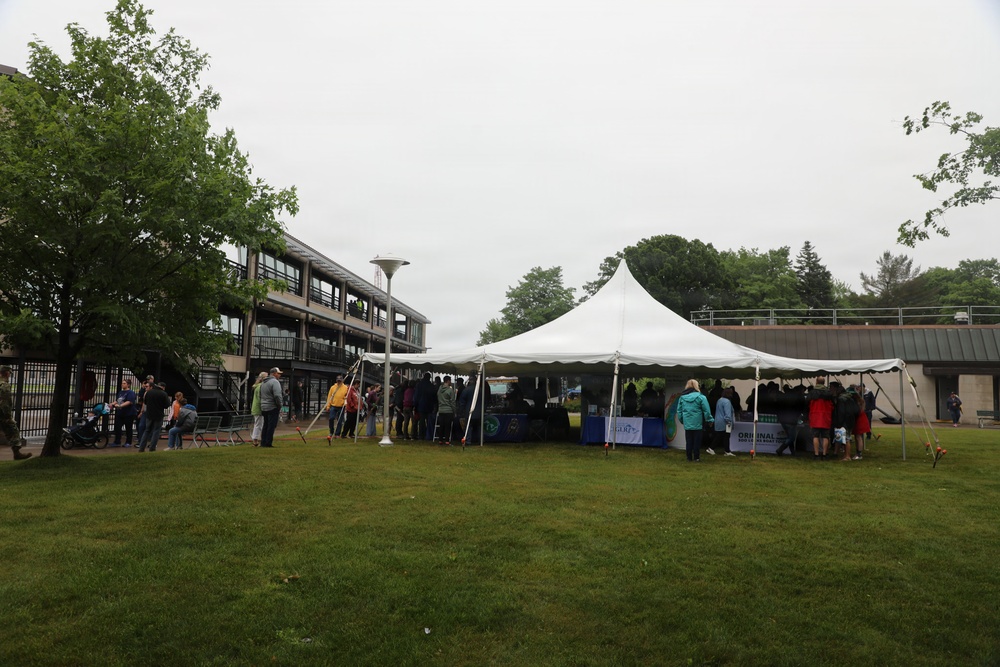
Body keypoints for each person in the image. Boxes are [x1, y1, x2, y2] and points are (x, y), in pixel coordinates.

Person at [677, 379, 712, 462]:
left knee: (688, 440)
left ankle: (689, 457)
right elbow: (706, 411)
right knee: (697, 441)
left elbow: (679, 411)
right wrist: (710, 420)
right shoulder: (701, 397)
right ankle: (696, 457)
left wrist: (682, 420)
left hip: (687, 422)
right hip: (698, 422)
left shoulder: (682, 397)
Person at [0, 365, 31, 460]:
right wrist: (8, 416)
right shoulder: (4, 385)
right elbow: (5, 403)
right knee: (13, 431)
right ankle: (17, 453)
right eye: (9, 373)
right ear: (7, 373)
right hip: (2, 415)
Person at [137, 381, 170, 452]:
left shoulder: (149, 392)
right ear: (163, 387)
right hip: (158, 415)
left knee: (147, 430)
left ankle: (141, 447)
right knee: (156, 431)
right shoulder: (163, 394)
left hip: (149, 414)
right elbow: (167, 405)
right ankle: (152, 447)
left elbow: (145, 402)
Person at [806, 378, 834, 460]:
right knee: (826, 436)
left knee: (815, 436)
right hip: (826, 416)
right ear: (824, 382)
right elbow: (833, 405)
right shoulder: (829, 393)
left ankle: (816, 454)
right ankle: (825, 454)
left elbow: (807, 404)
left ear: (816, 382)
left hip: (815, 416)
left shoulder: (812, 393)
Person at [259, 367, 283, 448]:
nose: (279, 375)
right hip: (272, 407)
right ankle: (268, 442)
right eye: (278, 373)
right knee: (271, 426)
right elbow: (277, 395)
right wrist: (279, 405)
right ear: (274, 373)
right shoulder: (275, 382)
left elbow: (260, 395)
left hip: (264, 407)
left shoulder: (263, 383)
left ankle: (263, 442)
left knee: (265, 425)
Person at [110, 378, 138, 447]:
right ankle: (117, 441)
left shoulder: (130, 393)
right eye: (122, 383)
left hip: (128, 414)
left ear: (128, 385)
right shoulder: (120, 392)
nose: (122, 384)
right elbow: (118, 400)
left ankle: (128, 442)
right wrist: (112, 404)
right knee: (117, 427)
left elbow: (129, 402)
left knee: (128, 428)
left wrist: (120, 406)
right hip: (120, 413)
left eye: (124, 383)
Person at [711, 386, 736, 456]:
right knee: (725, 436)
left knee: (721, 436)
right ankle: (713, 448)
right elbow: (727, 413)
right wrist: (729, 422)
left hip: (718, 420)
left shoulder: (720, 400)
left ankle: (726, 450)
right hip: (725, 422)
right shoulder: (727, 402)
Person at [436, 376, 457, 444]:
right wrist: (454, 411)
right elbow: (452, 402)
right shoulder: (450, 390)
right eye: (450, 380)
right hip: (448, 410)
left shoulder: (440, 389)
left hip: (441, 409)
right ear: (448, 381)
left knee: (441, 425)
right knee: (447, 426)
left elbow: (438, 397)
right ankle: (447, 440)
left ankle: (440, 440)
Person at [851, 389, 870, 460]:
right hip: (861, 420)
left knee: (858, 437)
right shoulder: (861, 401)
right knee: (858, 437)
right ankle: (858, 452)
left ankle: (859, 453)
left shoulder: (857, 403)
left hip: (860, 421)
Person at [250, 371, 267, 446]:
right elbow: (261, 398)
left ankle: (256, 439)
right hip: (259, 408)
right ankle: (255, 440)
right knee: (259, 425)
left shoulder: (257, 386)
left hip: (256, 407)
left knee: (258, 424)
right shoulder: (261, 387)